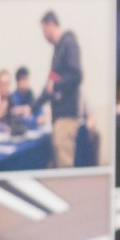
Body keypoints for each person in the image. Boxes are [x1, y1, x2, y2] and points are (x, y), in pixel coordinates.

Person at [40, 11, 84, 166]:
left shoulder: (69, 43)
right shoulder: (57, 51)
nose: (43, 35)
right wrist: (32, 107)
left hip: (66, 117)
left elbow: (77, 76)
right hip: (59, 117)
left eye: (44, 30)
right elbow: (49, 86)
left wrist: (56, 85)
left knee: (65, 165)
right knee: (59, 162)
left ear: (50, 24)